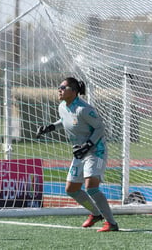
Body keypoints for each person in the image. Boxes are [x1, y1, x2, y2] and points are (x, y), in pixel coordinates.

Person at [36, 77, 119, 232]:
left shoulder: (84, 109)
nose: (59, 90)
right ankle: (95, 214)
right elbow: (64, 120)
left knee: (91, 187)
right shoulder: (62, 106)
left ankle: (111, 223)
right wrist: (49, 128)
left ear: (74, 91)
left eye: (63, 87)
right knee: (71, 189)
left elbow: (100, 128)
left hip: (96, 151)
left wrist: (88, 145)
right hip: (79, 152)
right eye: (58, 87)